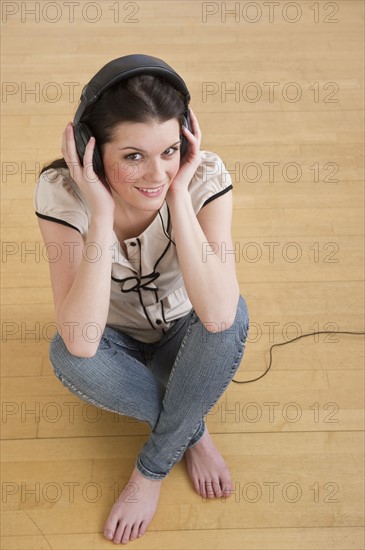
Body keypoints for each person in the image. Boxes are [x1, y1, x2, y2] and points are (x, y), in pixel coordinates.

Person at [34, 56, 249, 545]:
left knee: (233, 315)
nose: (156, 173)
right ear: (91, 150)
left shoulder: (203, 178)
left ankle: (153, 466)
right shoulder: (62, 192)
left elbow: (217, 317)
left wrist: (177, 196)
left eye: (169, 150)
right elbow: (82, 341)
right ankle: (190, 427)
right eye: (133, 156)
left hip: (185, 334)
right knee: (67, 357)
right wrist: (101, 210)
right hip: (114, 341)